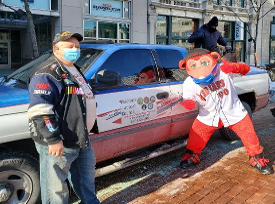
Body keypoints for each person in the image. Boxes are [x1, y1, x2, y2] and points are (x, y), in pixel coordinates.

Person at [27, 31, 100, 204]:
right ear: (56, 49)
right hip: (60, 142)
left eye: (77, 46)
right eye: (69, 46)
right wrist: (53, 139)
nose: (74, 49)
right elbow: (40, 110)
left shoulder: (74, 69)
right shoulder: (47, 73)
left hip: (80, 137)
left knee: (86, 181)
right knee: (56, 191)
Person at [178, 48, 271, 175]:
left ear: (213, 58)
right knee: (197, 134)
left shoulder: (222, 70)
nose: (200, 68)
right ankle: (192, 155)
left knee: (249, 134)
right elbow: (189, 98)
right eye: (193, 65)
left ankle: (256, 158)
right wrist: (189, 103)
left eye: (204, 63)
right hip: (208, 115)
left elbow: (246, 69)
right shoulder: (189, 83)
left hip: (234, 111)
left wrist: (235, 67)